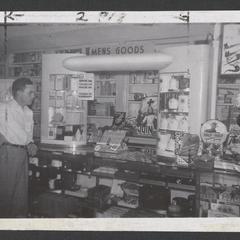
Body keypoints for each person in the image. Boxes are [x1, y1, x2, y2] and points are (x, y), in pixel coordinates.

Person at [0, 77, 38, 217]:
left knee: (20, 196)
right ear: (19, 93)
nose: (33, 96)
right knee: (5, 195)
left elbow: (27, 135)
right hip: (7, 153)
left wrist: (31, 143)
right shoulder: (4, 107)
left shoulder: (29, 112)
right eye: (30, 92)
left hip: (22, 154)